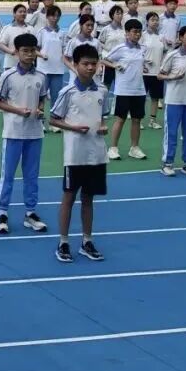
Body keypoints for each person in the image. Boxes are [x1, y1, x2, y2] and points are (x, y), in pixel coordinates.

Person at [50, 43, 110, 264]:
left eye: (94, 64)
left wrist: (103, 126)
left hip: (96, 154)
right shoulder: (68, 92)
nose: (90, 68)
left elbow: (103, 117)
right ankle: (63, 242)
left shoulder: (102, 90)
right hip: (75, 155)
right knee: (69, 197)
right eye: (85, 64)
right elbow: (53, 119)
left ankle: (87, 241)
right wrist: (73, 128)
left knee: (88, 198)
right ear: (75, 65)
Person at [0, 33, 49, 234]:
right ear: (16, 52)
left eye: (32, 51)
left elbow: (42, 99)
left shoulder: (41, 76)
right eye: (25, 51)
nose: (29, 54)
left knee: (31, 175)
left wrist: (40, 109)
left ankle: (30, 213)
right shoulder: (8, 76)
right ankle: (2, 214)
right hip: (13, 133)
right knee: (7, 175)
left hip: (35, 134)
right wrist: (17, 111)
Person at [158, 26, 186, 177]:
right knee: (171, 133)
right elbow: (160, 75)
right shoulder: (172, 55)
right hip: (174, 100)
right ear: (181, 37)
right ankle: (167, 163)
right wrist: (173, 77)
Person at [104, 19, 147, 160]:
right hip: (123, 90)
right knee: (120, 119)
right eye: (134, 32)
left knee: (136, 120)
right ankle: (113, 148)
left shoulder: (142, 48)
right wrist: (115, 65)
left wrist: (144, 67)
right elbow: (104, 59)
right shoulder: (120, 48)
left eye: (139, 32)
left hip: (139, 90)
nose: (137, 34)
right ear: (127, 33)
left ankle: (134, 148)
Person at [36, 5, 66, 129]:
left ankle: (54, 123)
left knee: (56, 97)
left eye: (57, 16)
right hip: (43, 70)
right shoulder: (42, 32)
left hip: (58, 70)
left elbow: (64, 51)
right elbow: (35, 49)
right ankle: (40, 123)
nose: (55, 18)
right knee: (41, 97)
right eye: (53, 15)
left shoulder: (62, 33)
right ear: (47, 17)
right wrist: (41, 55)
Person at [141, 12, 166, 130]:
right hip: (145, 72)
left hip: (158, 72)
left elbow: (165, 52)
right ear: (147, 22)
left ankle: (152, 121)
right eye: (152, 20)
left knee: (155, 98)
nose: (155, 22)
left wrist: (163, 67)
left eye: (157, 20)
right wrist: (143, 64)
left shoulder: (161, 37)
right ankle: (139, 120)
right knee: (141, 97)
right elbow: (137, 52)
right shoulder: (142, 36)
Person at [64, 14, 100, 84]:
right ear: (81, 25)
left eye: (92, 25)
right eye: (87, 25)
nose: (90, 28)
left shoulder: (96, 42)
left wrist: (98, 69)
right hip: (75, 78)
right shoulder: (73, 42)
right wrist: (75, 70)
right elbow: (65, 59)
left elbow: (99, 59)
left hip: (92, 78)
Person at [0, 4, 32, 70]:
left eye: (24, 12)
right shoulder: (7, 28)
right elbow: (0, 44)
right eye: (20, 12)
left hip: (28, 65)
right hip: (11, 65)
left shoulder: (31, 28)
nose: (23, 14)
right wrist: (11, 52)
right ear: (14, 14)